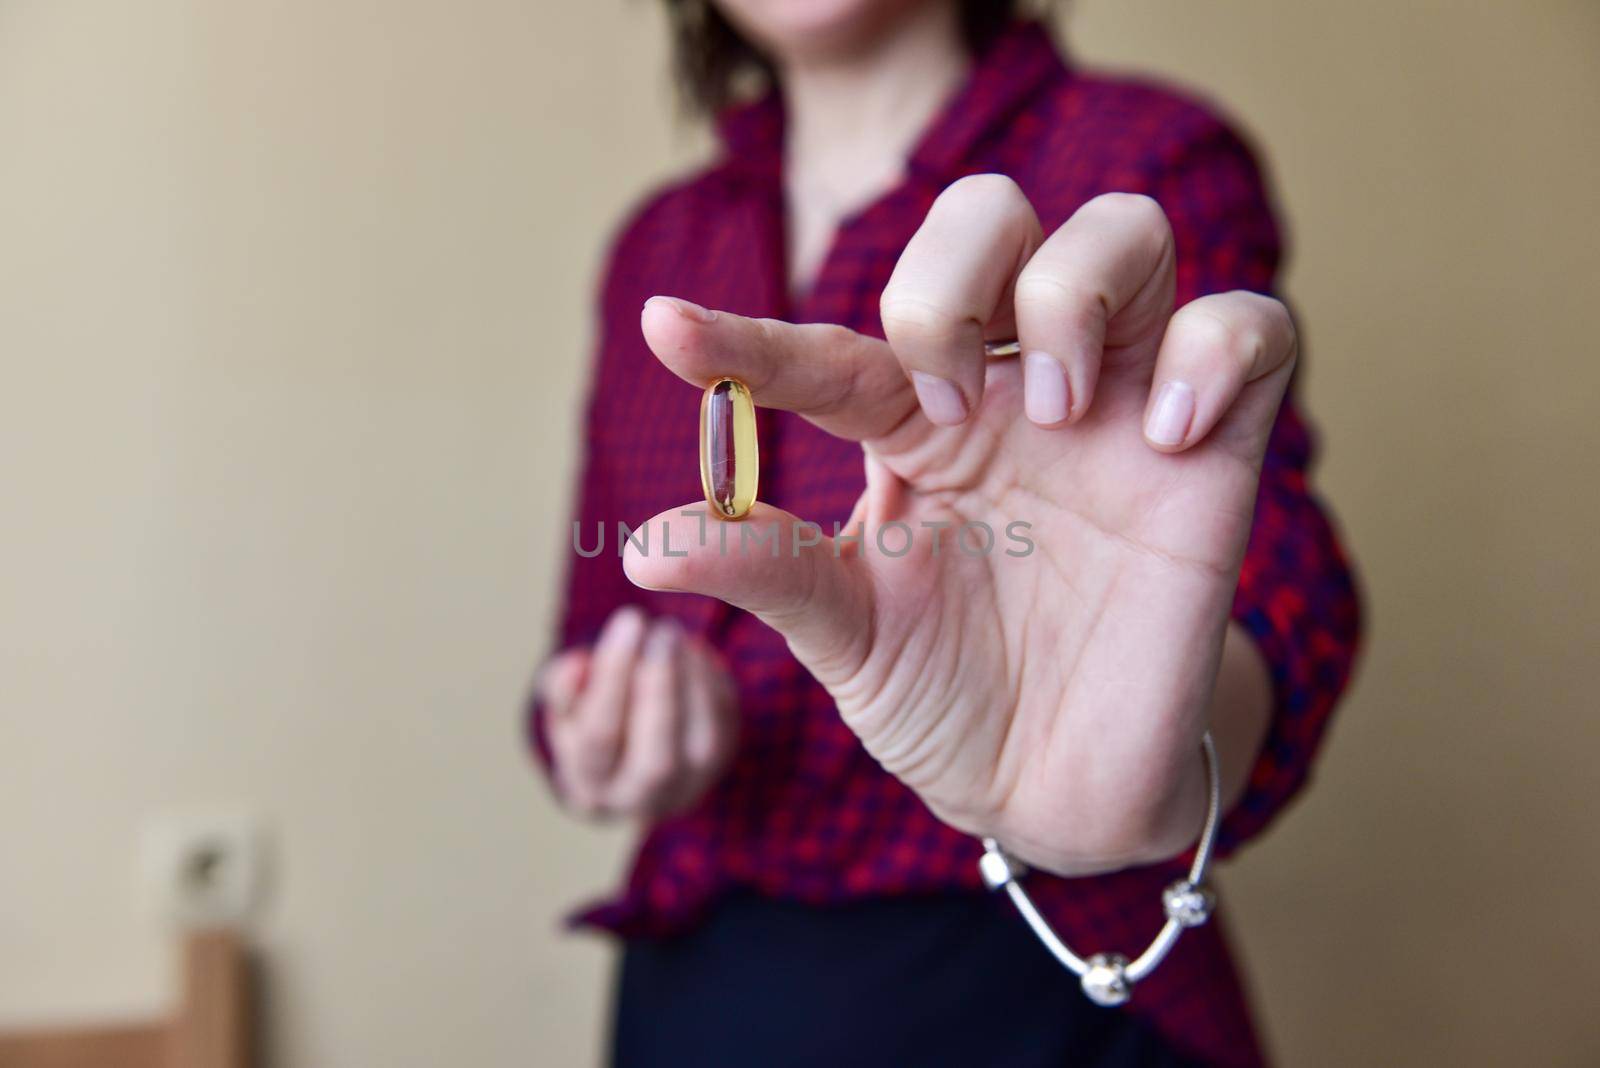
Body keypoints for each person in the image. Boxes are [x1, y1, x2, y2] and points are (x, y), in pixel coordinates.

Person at [530, 2, 1361, 1065]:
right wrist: (604, 741)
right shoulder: (662, 242)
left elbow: (1283, 599)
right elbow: (592, 624)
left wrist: (1138, 766)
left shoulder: (1140, 158)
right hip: (706, 985)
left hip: (1047, 974)